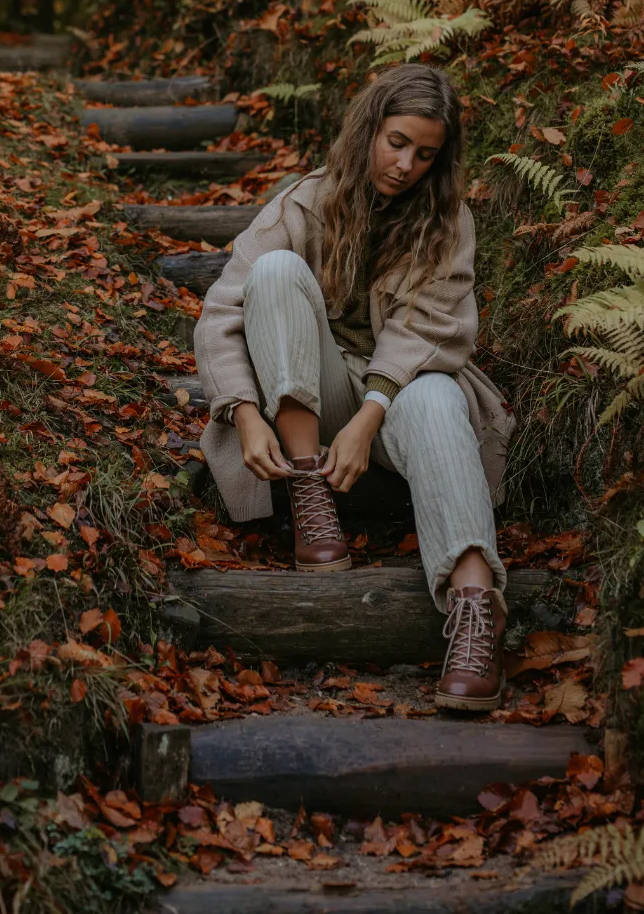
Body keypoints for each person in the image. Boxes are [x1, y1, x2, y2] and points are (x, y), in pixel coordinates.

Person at [194, 63, 515, 711]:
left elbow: (433, 333)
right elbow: (223, 312)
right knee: (277, 271)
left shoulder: (448, 223)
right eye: (396, 142)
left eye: (425, 154)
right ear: (369, 128)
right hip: (308, 423)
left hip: (397, 427)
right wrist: (246, 414)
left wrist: (372, 413)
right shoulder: (303, 202)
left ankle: (477, 611)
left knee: (433, 391)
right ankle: (310, 492)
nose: (406, 164)